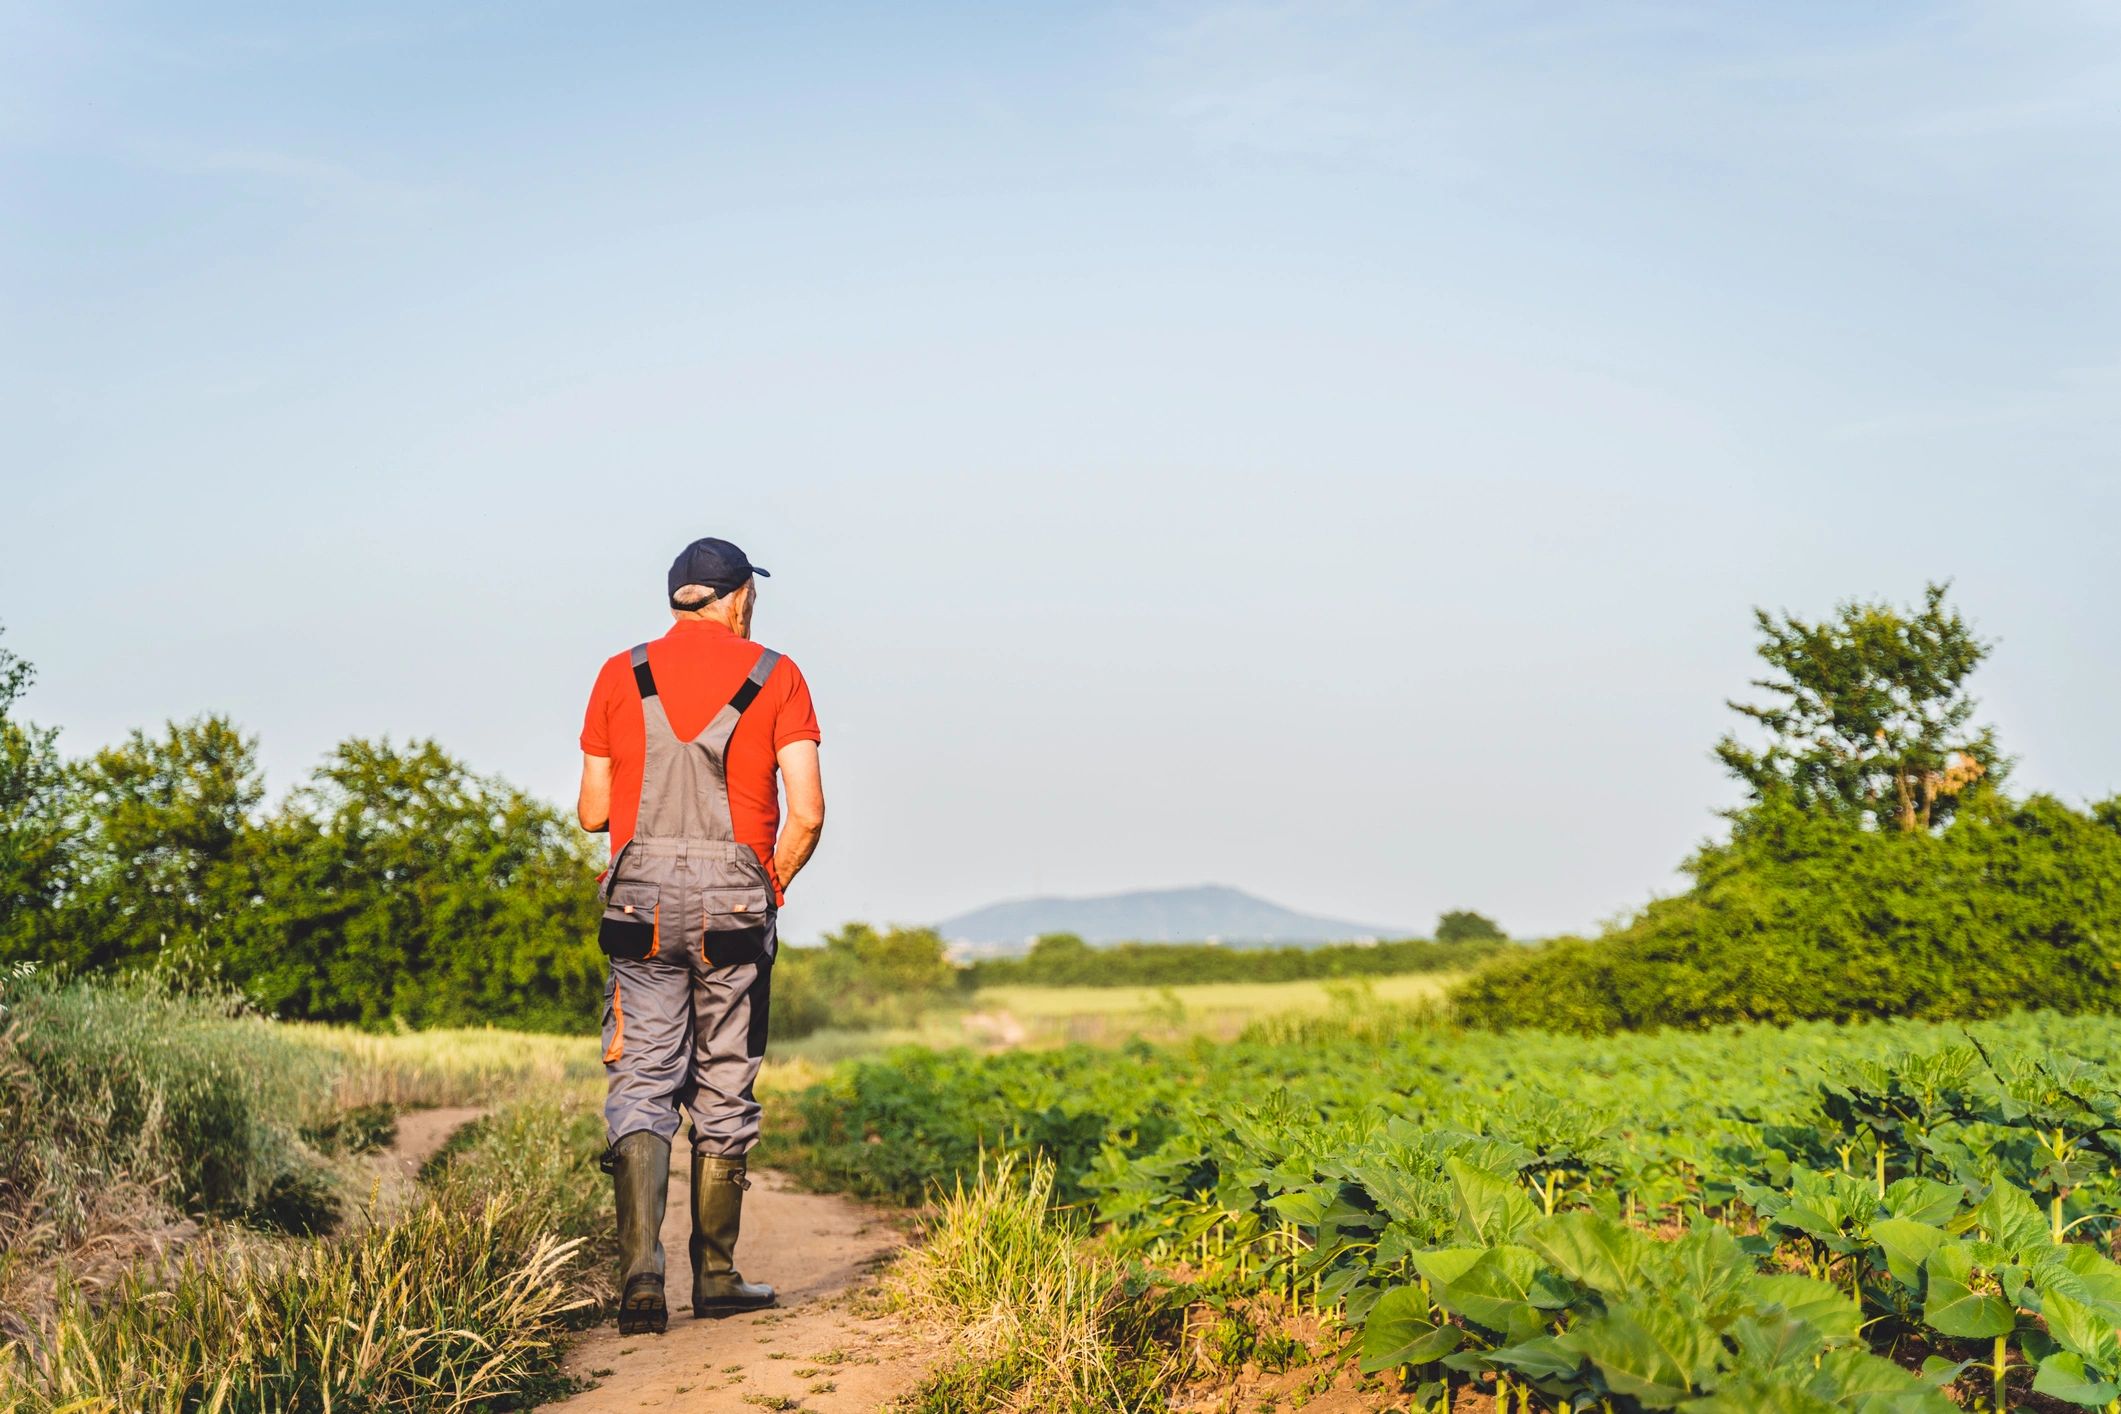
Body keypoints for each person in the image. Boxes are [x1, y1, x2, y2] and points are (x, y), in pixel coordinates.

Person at [576, 536, 825, 1335]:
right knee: (724, 1079)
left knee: (642, 1077)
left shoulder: (620, 673)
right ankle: (715, 1277)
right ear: (739, 596)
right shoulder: (777, 674)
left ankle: (640, 1283)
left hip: (640, 902)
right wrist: (770, 885)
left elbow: (591, 812)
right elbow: (808, 811)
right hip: (734, 903)